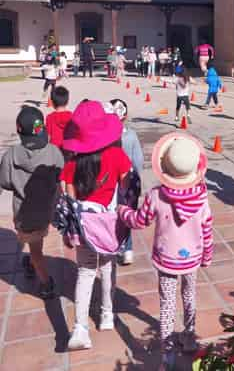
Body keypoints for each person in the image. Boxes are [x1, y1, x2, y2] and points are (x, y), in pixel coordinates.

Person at [118, 133, 213, 371]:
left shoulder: (156, 196)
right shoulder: (201, 197)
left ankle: (168, 358)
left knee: (167, 304)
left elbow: (139, 221)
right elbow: (207, 228)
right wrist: (207, 257)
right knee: (189, 296)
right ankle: (190, 337)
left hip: (167, 260)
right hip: (192, 258)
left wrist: (122, 212)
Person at [60, 100, 132, 351]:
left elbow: (69, 198)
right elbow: (127, 185)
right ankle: (107, 315)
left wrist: (69, 230)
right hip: (109, 224)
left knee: (86, 272)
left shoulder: (71, 164)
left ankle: (80, 328)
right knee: (108, 269)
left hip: (83, 226)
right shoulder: (116, 155)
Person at [0, 106, 64, 299]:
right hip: (45, 210)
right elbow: (60, 179)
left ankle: (45, 283)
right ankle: (37, 267)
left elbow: (5, 182)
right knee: (37, 245)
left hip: (24, 212)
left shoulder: (11, 155)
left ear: (19, 130)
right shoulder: (53, 152)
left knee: (35, 247)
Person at [109, 98, 144, 265]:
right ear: (126, 115)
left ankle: (115, 246)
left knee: (112, 215)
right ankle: (128, 248)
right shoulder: (131, 135)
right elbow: (138, 161)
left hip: (111, 183)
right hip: (129, 181)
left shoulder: (105, 136)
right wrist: (138, 179)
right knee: (127, 214)